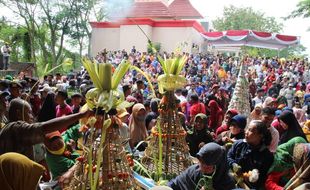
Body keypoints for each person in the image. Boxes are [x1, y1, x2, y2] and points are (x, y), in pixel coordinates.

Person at [0, 98, 92, 160]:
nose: (32, 117)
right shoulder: (16, 128)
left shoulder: (10, 128)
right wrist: (81, 115)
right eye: (29, 113)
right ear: (19, 113)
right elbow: (44, 128)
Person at [227, 120, 274, 189]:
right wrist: (233, 164)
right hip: (231, 179)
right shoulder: (239, 144)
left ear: (260, 135)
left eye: (250, 130)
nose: (246, 132)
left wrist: (253, 178)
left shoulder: (267, 156)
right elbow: (228, 157)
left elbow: (263, 179)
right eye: (247, 129)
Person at [168, 143, 235, 190]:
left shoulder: (227, 183)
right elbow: (175, 183)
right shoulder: (193, 171)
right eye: (201, 162)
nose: (202, 167)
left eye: (208, 166)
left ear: (218, 166)